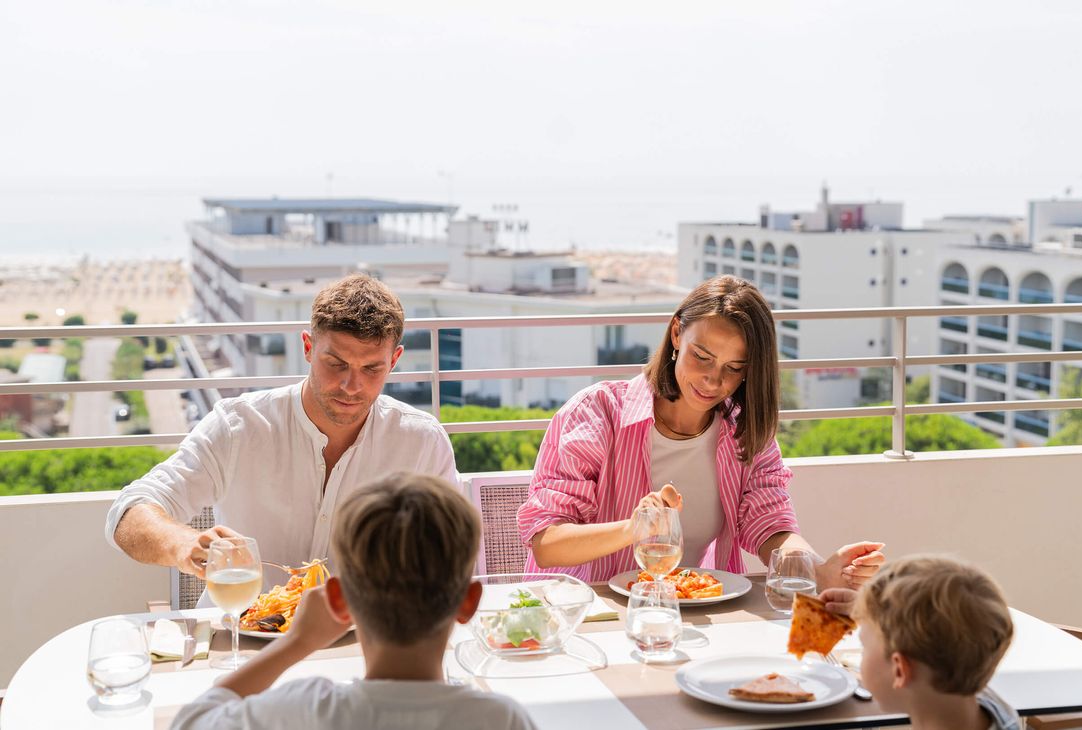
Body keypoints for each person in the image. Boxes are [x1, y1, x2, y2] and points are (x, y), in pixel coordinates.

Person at [517, 275, 883, 589]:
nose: (713, 379)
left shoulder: (744, 430)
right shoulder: (597, 413)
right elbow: (547, 544)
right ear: (677, 333)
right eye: (702, 357)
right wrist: (635, 528)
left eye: (734, 367)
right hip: (586, 615)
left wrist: (817, 570)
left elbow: (770, 525)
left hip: (690, 611)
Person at [106, 274, 459, 596]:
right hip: (241, 637)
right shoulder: (238, 426)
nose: (352, 386)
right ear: (308, 347)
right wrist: (183, 545)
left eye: (372, 368)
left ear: (394, 360)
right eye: (336, 364)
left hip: (364, 640)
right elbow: (128, 512)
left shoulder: (421, 442)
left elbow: (451, 552)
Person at [170, 471, 536, 730]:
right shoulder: (500, 719)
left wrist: (297, 643)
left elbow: (192, 721)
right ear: (468, 603)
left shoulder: (304, 710)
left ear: (338, 601)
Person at [819, 556, 1022, 730]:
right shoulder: (991, 703)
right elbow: (953, 627)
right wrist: (869, 612)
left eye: (864, 645)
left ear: (900, 670)